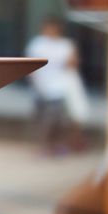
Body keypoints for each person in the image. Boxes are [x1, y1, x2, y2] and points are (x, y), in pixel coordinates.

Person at [25, 15, 83, 155]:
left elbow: (73, 65)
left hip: (60, 89)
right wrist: (35, 84)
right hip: (42, 89)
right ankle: (44, 146)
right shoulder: (37, 44)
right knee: (43, 122)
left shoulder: (65, 45)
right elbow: (29, 67)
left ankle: (58, 146)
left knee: (59, 122)